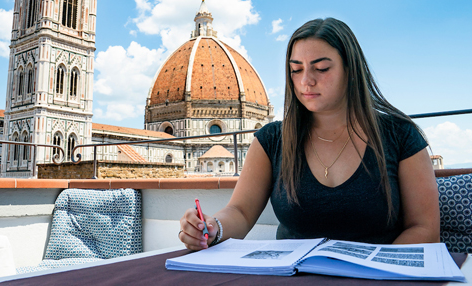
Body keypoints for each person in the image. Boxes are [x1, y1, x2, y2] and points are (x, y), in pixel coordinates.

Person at [179, 18, 440, 251]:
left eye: (322, 68)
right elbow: (241, 212)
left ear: (351, 70)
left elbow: (425, 229)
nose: (306, 81)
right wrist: (213, 229)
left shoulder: (400, 135)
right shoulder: (271, 140)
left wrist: (373, 270)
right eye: (296, 70)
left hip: (378, 280)